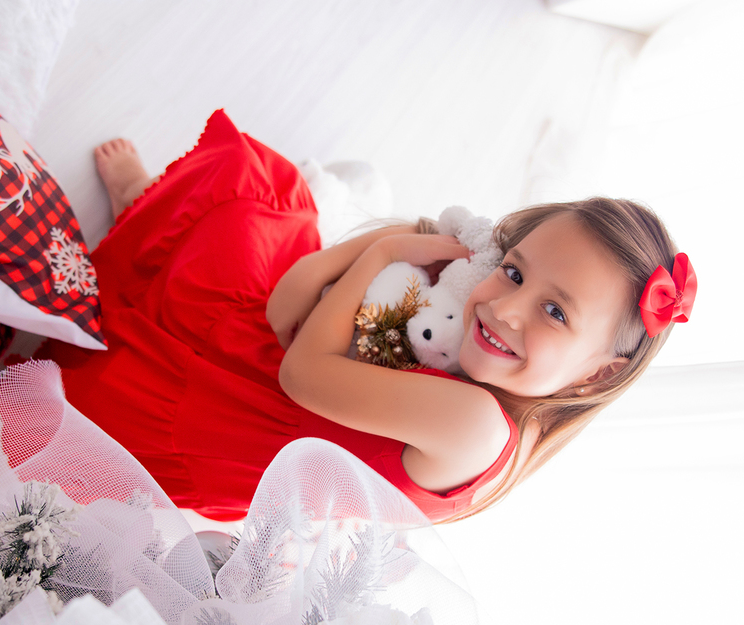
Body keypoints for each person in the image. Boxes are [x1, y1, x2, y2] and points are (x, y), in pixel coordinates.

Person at [40, 111, 695, 524]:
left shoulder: (475, 427)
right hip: (259, 353)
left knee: (86, 360)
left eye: (555, 312)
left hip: (218, 417)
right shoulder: (463, 321)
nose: (503, 306)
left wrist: (382, 249)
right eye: (515, 271)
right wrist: (379, 255)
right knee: (245, 209)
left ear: (593, 376)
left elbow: (301, 376)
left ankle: (144, 211)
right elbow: (283, 305)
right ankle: (144, 204)